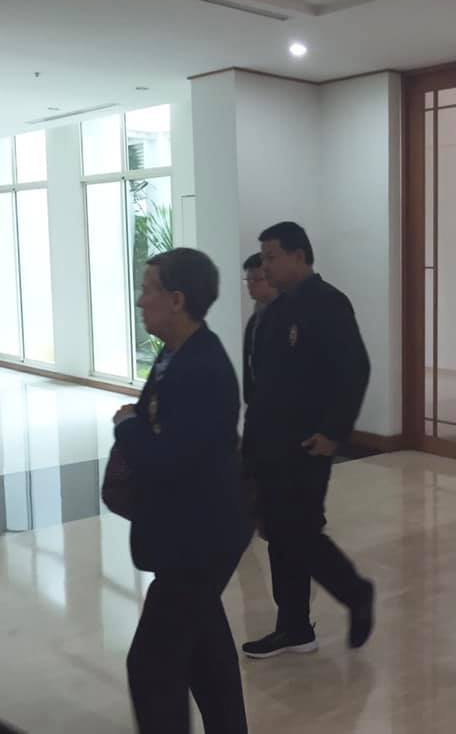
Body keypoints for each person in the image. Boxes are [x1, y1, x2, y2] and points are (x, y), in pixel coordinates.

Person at [114, 248, 252, 734]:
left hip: (201, 539)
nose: (140, 301)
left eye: (147, 290)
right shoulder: (177, 354)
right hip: (191, 532)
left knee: (151, 665)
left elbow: (166, 460)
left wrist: (127, 427)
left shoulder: (202, 369)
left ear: (176, 300)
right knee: (205, 653)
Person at [242, 221, 375, 659]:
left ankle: (354, 592)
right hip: (269, 442)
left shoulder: (328, 303)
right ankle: (294, 626)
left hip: (306, 443)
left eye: (272, 257)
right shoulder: (275, 310)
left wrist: (334, 432)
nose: (264, 266)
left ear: (299, 256)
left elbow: (354, 369)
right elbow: (262, 386)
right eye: (263, 258)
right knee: (280, 534)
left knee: (298, 531)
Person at [242, 252, 279, 409]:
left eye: (256, 279)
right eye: (247, 280)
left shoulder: (286, 317)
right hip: (257, 404)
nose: (250, 285)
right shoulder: (254, 320)